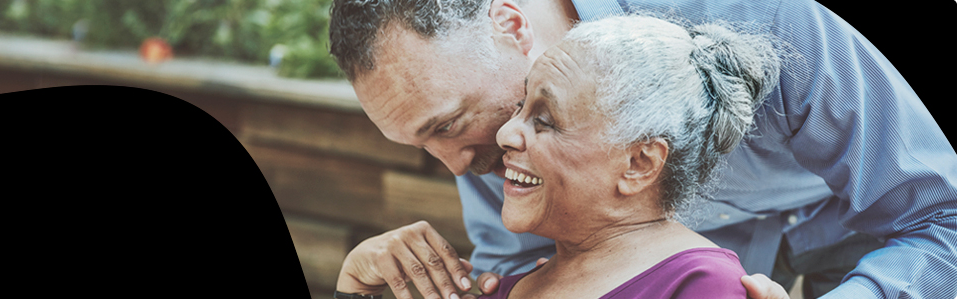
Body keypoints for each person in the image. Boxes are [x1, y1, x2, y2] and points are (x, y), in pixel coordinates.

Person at [328, 0, 957, 299]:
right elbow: (521, 269)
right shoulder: (497, 145)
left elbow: (944, 218)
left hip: (854, 225)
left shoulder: (762, 14)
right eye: (422, 142)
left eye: (448, 125)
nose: (457, 165)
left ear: (512, 26)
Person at [478, 14, 779, 298]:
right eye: (520, 106)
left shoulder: (701, 283)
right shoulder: (509, 288)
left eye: (544, 121)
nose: (505, 134)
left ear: (639, 164)